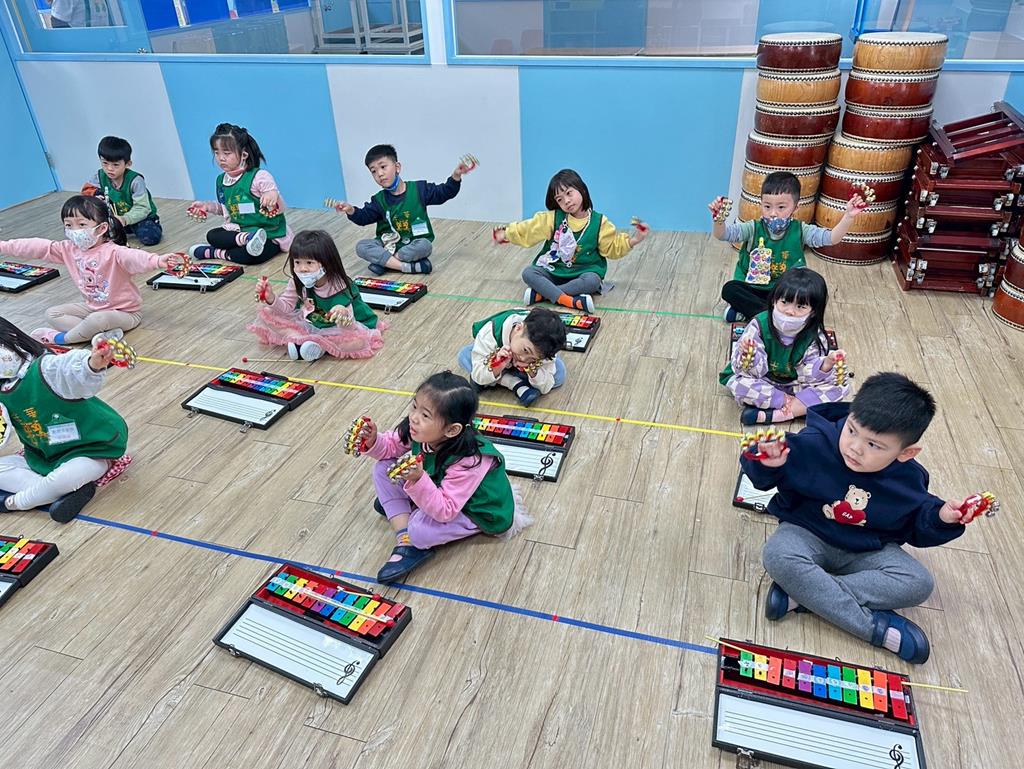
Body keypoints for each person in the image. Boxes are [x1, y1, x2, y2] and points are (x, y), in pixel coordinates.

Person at [742, 372, 977, 664]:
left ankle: (804, 594)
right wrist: (769, 463)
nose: (855, 447)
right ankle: (873, 630)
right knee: (777, 555)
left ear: (906, 453)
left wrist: (943, 518)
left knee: (919, 583)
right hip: (806, 532)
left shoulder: (909, 478)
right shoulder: (814, 443)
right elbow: (762, 479)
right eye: (851, 430)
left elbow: (916, 524)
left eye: (874, 445)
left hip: (867, 549)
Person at [351, 371, 529, 582]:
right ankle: (405, 538)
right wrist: (373, 440)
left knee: (419, 529)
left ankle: (408, 530)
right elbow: (391, 446)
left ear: (452, 430)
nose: (414, 417)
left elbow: (446, 510)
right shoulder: (419, 428)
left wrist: (417, 480)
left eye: (425, 415)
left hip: (476, 509)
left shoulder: (470, 458)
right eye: (414, 406)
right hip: (442, 492)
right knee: (382, 468)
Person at [0, 195, 182, 345]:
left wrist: (158, 260)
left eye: (81, 225)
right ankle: (100, 336)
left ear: (101, 228)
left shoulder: (114, 251)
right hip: (93, 308)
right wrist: (4, 246)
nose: (74, 230)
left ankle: (61, 339)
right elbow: (36, 246)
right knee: (52, 314)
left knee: (96, 321)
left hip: (126, 314)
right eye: (68, 225)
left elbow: (136, 257)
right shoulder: (68, 249)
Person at [0, 317, 130, 523]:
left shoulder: (44, 368)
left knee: (67, 477)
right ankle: (55, 493)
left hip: (90, 449)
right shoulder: (2, 389)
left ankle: (14, 502)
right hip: (43, 454)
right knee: (53, 480)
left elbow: (69, 367)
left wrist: (92, 363)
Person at [712, 171, 862, 321]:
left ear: (795, 208)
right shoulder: (752, 228)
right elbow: (723, 235)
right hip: (752, 288)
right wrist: (719, 221)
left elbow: (832, 238)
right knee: (730, 289)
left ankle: (753, 312)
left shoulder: (801, 230)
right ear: (761, 204)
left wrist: (848, 216)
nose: (773, 213)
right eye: (767, 206)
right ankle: (773, 316)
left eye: (781, 207)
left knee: (816, 289)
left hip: (784, 292)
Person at [494, 168, 648, 313]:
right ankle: (570, 300)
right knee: (528, 273)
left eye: (569, 193)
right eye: (560, 199)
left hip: (583, 273)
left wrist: (634, 240)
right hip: (554, 270)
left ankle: (542, 294)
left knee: (593, 281)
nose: (566, 201)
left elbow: (612, 247)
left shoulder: (600, 222)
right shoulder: (553, 218)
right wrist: (506, 233)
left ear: (581, 189)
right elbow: (529, 229)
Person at [720, 268, 850, 425]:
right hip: (764, 381)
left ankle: (775, 415)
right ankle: (797, 408)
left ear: (814, 312)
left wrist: (826, 365)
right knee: (739, 384)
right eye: (784, 302)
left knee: (840, 386)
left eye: (800, 307)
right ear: (774, 300)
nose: (790, 311)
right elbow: (750, 372)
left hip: (796, 384)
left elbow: (806, 375)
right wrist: (749, 355)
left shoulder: (815, 335)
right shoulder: (759, 325)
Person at [331, 144, 470, 276]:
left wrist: (456, 176)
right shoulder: (378, 200)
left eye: (383, 167)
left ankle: (386, 263)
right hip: (387, 244)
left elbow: (444, 193)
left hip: (413, 244)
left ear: (397, 167)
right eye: (373, 171)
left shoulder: (419, 189)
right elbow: (363, 217)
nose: (379, 174)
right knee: (361, 247)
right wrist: (351, 210)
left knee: (425, 246)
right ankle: (406, 267)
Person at [249, 230, 386, 361]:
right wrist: (271, 298)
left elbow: (349, 328)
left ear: (326, 263)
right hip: (313, 323)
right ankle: (299, 339)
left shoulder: (339, 285)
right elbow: (286, 308)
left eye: (309, 263)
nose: (302, 268)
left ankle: (318, 346)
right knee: (268, 313)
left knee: (357, 343)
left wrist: (342, 314)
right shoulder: (296, 281)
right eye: (297, 262)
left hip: (344, 327)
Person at [187, 123, 293, 265]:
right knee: (212, 235)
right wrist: (207, 206)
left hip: (268, 233)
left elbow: (275, 198)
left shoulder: (259, 176)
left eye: (227, 153)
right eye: (217, 153)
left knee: (252, 256)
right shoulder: (221, 180)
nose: (221, 158)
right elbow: (228, 208)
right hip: (240, 231)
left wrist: (272, 195)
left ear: (244, 154)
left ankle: (215, 252)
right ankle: (245, 239)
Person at [457, 307, 566, 406]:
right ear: (518, 328)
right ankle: (515, 383)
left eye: (533, 359)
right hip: (493, 355)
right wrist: (497, 366)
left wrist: (533, 371)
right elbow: (478, 374)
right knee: (465, 355)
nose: (524, 359)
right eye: (525, 350)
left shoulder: (545, 349)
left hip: (519, 369)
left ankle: (496, 381)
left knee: (559, 372)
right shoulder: (490, 333)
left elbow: (546, 386)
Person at [82, 136, 162, 246]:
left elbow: (143, 208)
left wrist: (124, 219)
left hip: (140, 218)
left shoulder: (135, 181)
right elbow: (86, 191)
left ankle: (144, 226)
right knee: (93, 234)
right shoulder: (99, 176)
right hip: (115, 219)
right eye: (105, 163)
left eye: (115, 165)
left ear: (128, 164)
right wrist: (95, 195)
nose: (109, 169)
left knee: (151, 237)